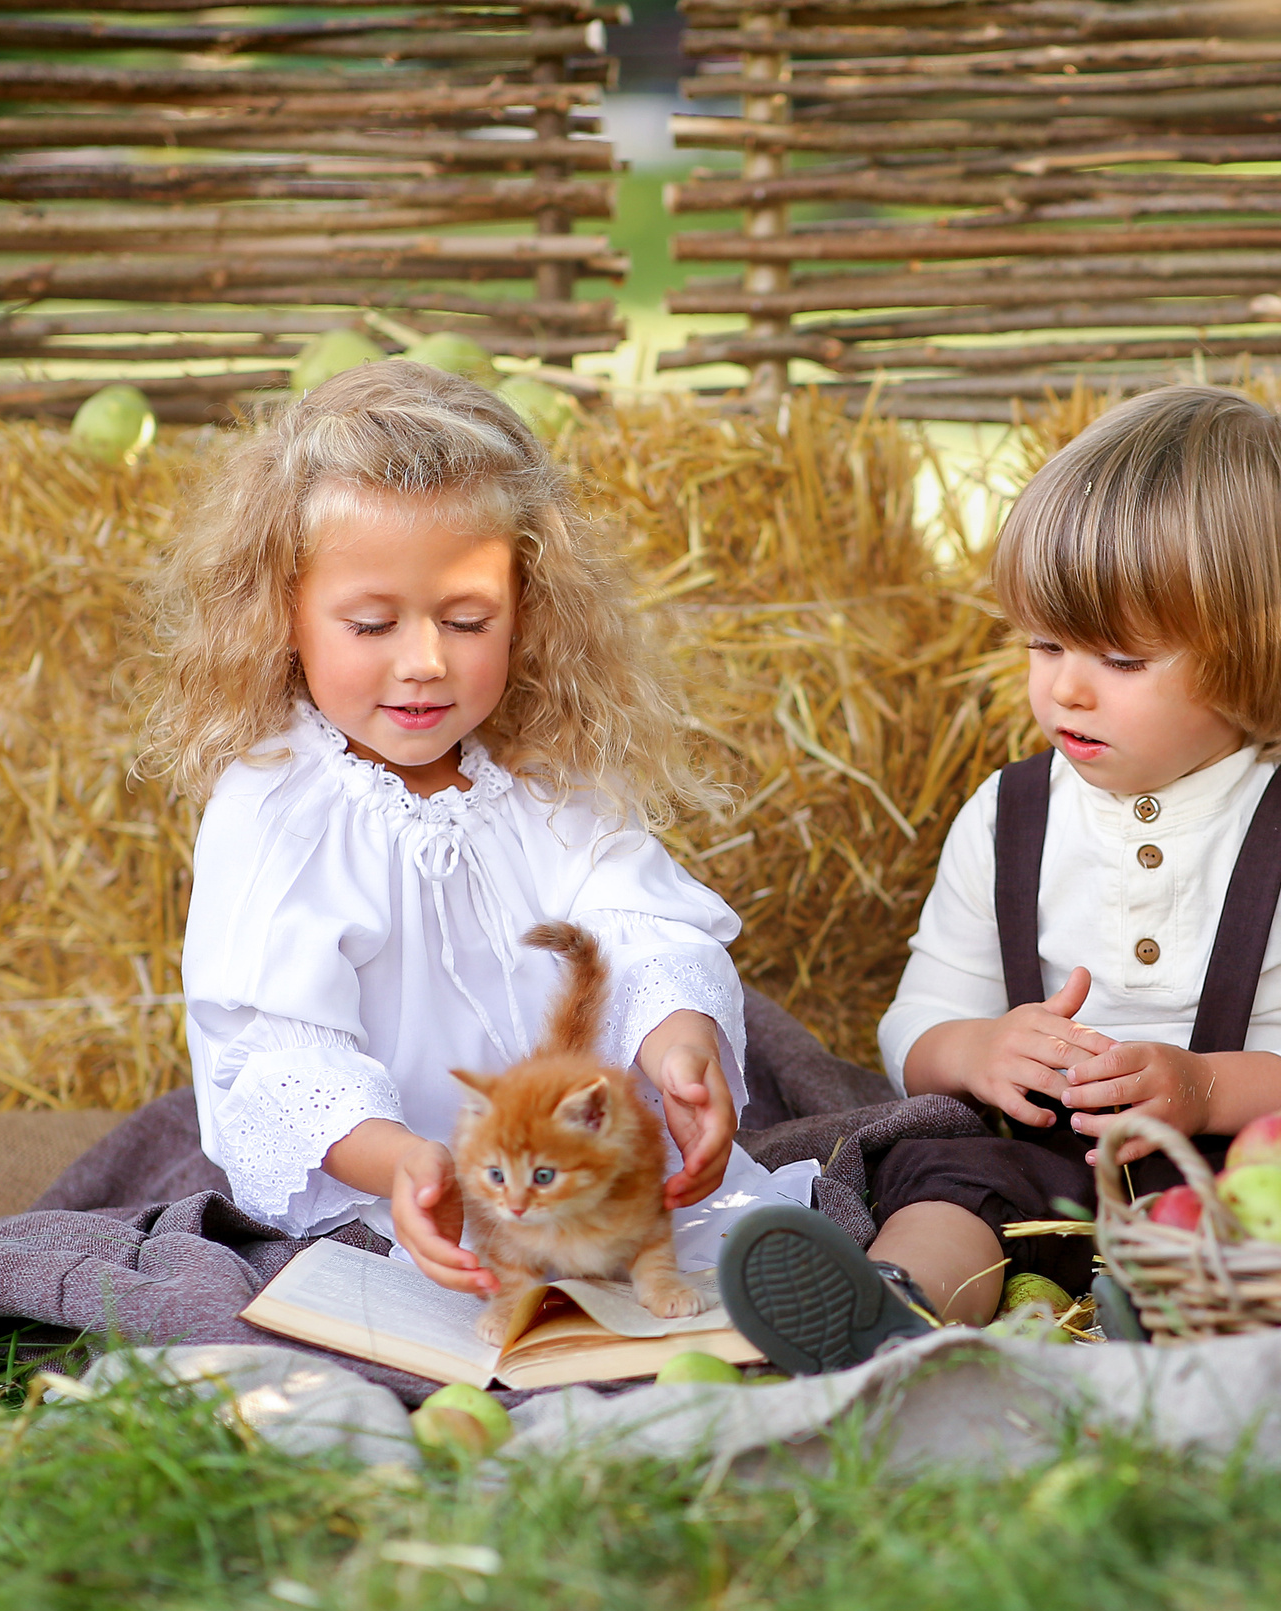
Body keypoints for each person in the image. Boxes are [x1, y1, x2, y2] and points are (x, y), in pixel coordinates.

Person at [720, 385, 1281, 1374]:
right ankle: (897, 1312)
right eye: (1044, 644)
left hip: (1251, 1165)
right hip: (1053, 1164)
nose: (1066, 687)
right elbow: (911, 1027)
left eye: (1120, 657)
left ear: (1259, 650)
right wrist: (982, 1050)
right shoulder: (1008, 814)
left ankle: (1190, 1308)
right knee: (936, 1157)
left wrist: (1206, 1088)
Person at [145, 361, 809, 1296]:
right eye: (371, 624)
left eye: (466, 620)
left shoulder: (546, 773)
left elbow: (636, 922)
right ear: (282, 615)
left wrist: (678, 1040)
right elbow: (274, 1043)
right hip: (395, 1198)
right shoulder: (281, 808)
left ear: (526, 610)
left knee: (717, 1264)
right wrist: (398, 1163)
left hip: (572, 1179)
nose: (423, 663)